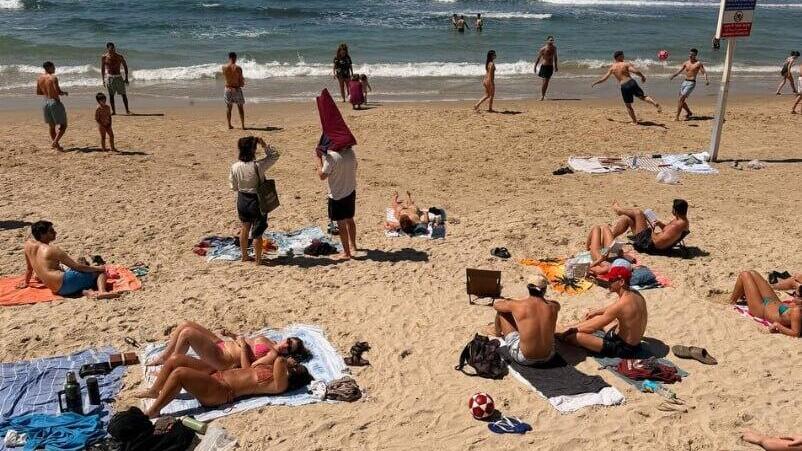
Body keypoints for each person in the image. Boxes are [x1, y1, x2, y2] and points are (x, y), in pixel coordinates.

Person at [139, 356, 312, 418]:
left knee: (179, 373)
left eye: (296, 367)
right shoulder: (270, 369)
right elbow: (266, 360)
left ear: (295, 375)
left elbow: (280, 360)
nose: (293, 364)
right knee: (175, 360)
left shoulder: (279, 385)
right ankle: (155, 390)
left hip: (220, 391)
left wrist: (288, 363)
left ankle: (154, 410)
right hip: (216, 377)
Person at [558, 262, 647, 358]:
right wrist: (596, 312)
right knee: (597, 316)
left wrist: (568, 331)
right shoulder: (636, 295)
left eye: (611, 280)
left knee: (575, 337)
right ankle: (568, 328)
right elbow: (615, 308)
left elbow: (592, 328)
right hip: (635, 344)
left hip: (623, 349)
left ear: (621, 282)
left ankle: (565, 329)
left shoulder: (620, 305)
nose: (608, 282)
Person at [145, 320, 307, 369]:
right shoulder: (268, 339)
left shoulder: (272, 355)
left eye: (289, 348)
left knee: (188, 334)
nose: (285, 345)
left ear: (288, 354)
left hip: (224, 359)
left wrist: (243, 348)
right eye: (288, 341)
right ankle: (164, 357)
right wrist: (231, 334)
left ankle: (171, 364)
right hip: (223, 344)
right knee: (185, 324)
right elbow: (242, 338)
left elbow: (247, 370)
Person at [19, 221, 116, 299]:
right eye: (51, 231)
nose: (55, 232)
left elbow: (29, 269)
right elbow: (77, 267)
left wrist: (26, 282)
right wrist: (98, 268)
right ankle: (102, 292)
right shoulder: (53, 250)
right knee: (100, 273)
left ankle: (85, 291)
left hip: (56, 290)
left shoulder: (28, 245)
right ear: (42, 234)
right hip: (66, 283)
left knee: (80, 278)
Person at [487, 275, 560, 365]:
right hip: (548, 356)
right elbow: (554, 304)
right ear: (544, 289)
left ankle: (497, 332)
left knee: (502, 312)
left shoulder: (518, 305)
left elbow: (496, 305)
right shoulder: (554, 306)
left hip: (524, 358)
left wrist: (513, 301)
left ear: (528, 288)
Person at [229, 136, 278, 265]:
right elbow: (275, 156)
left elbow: (233, 186)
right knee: (258, 232)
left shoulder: (235, 166)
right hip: (257, 201)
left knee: (245, 227)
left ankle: (244, 256)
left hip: (242, 199)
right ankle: (258, 260)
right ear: (253, 150)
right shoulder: (258, 166)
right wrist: (264, 144)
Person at [592, 50, 661, 124]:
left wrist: (596, 82)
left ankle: (634, 122)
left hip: (624, 86)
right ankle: (654, 103)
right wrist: (642, 76)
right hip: (631, 82)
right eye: (622, 55)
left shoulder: (612, 68)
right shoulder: (625, 64)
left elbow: (604, 78)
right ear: (619, 57)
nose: (624, 57)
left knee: (628, 105)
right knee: (642, 97)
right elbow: (635, 71)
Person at [726, 271, 801, 337]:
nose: (794, 295)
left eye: (796, 295)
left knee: (744, 275)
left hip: (762, 309)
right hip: (773, 300)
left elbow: (795, 333)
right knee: (753, 273)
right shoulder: (798, 306)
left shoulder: (797, 311)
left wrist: (777, 325)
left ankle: (732, 301)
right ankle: (743, 293)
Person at [315, 145, 358, 260]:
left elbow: (322, 175)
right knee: (350, 219)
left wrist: (319, 159)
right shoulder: (351, 153)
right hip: (350, 190)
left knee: (341, 224)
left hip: (337, 195)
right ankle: (353, 246)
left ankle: (346, 252)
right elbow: (355, 167)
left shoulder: (331, 157)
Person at [609, 199, 690, 254]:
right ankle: (610, 238)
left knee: (638, 213)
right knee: (628, 219)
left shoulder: (677, 225)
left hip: (648, 245)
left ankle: (619, 210)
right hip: (649, 241)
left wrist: (651, 232)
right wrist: (660, 224)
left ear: (675, 210)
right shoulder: (681, 221)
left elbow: (658, 243)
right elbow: (667, 233)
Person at [669, 48, 709, 121]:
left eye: (692, 55)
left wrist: (706, 80)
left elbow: (704, 72)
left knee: (681, 99)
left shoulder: (698, 63)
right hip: (684, 82)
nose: (690, 55)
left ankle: (676, 117)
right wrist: (673, 75)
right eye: (690, 54)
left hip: (691, 83)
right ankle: (689, 112)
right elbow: (679, 71)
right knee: (680, 100)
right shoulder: (686, 63)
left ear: (695, 55)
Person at [36, 61, 68, 151]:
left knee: (51, 126)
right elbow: (58, 91)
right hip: (54, 102)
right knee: (64, 125)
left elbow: (38, 92)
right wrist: (64, 93)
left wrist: (47, 91)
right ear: (49, 67)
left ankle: (57, 146)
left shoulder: (40, 78)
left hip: (45, 102)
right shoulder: (53, 78)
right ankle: (55, 142)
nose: (55, 69)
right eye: (53, 67)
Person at [100, 42, 131, 115]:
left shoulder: (119, 56)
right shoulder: (104, 57)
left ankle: (127, 110)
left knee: (123, 95)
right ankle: (114, 111)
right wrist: (103, 79)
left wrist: (126, 78)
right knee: (111, 95)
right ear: (107, 49)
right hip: (109, 78)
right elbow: (102, 69)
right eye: (111, 49)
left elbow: (125, 66)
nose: (112, 50)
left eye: (113, 48)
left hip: (118, 77)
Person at [222, 52, 246, 130]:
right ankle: (242, 125)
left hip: (228, 89)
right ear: (235, 58)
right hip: (236, 89)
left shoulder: (224, 67)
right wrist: (242, 83)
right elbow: (241, 82)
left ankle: (229, 125)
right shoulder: (238, 68)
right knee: (240, 107)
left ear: (229, 58)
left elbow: (226, 78)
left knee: (229, 107)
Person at [534, 36, 558, 101]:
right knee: (545, 82)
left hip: (550, 67)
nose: (551, 41)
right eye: (550, 40)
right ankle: (542, 96)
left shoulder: (554, 48)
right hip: (544, 67)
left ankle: (543, 95)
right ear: (547, 41)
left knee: (546, 82)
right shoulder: (543, 49)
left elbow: (555, 57)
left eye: (552, 40)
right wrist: (535, 66)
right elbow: (538, 58)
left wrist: (556, 66)